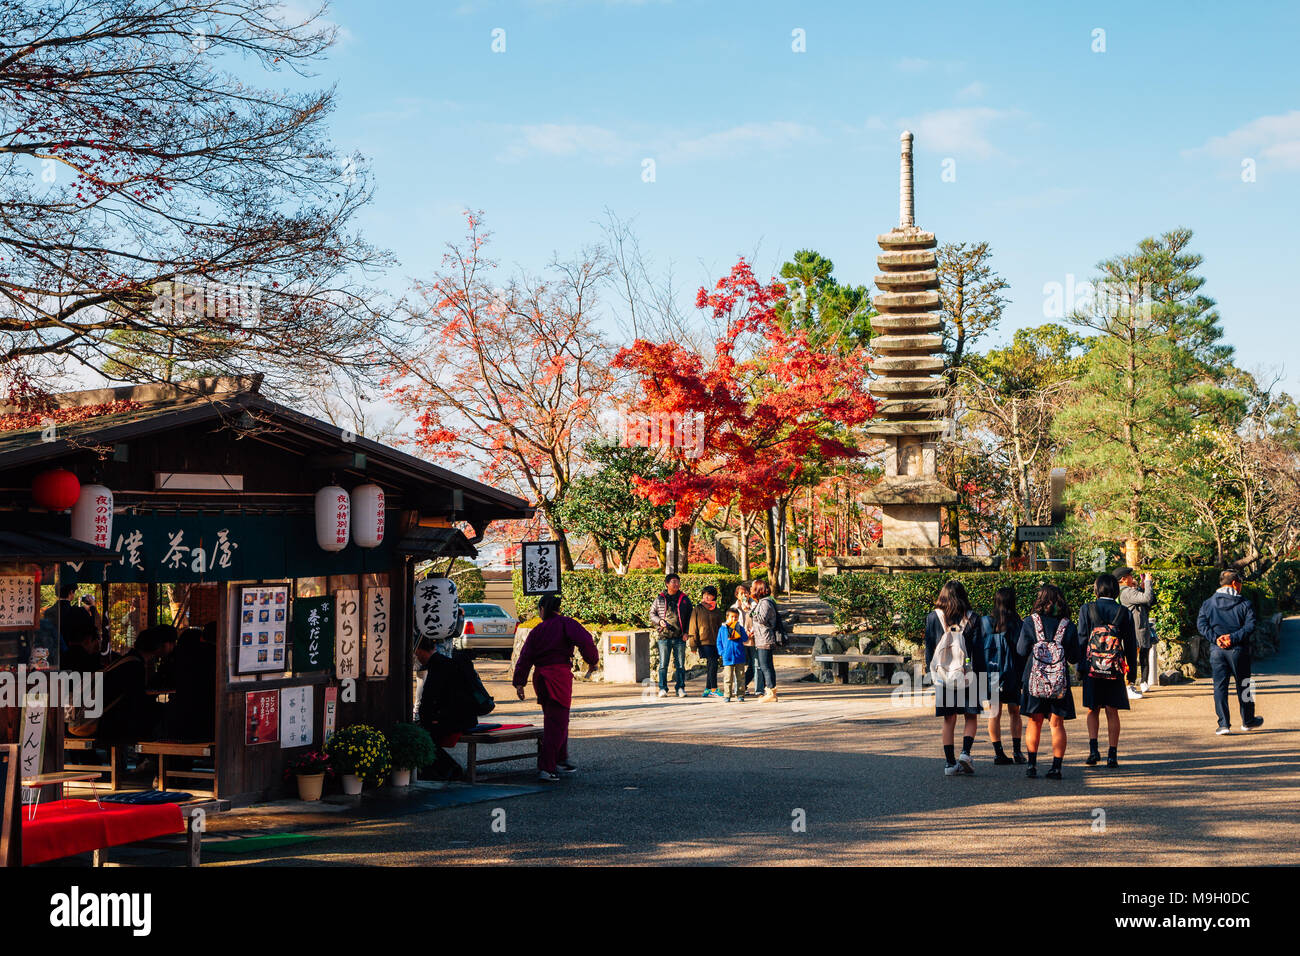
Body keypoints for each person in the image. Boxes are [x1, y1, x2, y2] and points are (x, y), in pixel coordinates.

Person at [513, 592, 599, 782]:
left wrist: (520, 682)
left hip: (540, 677)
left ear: (543, 609)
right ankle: (547, 767)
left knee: (556, 720)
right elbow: (585, 641)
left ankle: (561, 759)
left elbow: (525, 657)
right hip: (558, 677)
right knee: (557, 724)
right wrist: (592, 661)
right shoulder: (566, 623)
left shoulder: (537, 630)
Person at [1018, 583, 1080, 779]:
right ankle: (1056, 767)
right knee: (1057, 724)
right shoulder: (1067, 625)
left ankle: (1032, 766)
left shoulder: (1030, 622)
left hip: (1034, 680)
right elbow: (1074, 657)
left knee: (1034, 722)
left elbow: (1020, 650)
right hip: (1058, 683)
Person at [925, 580, 986, 776]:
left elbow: (929, 648)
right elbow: (979, 651)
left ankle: (950, 764)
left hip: (944, 676)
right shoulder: (973, 618)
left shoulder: (933, 617)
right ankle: (965, 753)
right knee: (970, 716)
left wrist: (932, 672)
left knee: (948, 719)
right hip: (968, 674)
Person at [1078, 574, 1139, 768]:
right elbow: (1130, 643)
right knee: (1112, 711)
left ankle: (1093, 750)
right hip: (1114, 667)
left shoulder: (1087, 609)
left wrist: (1080, 666)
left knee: (1092, 709)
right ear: (1115, 590)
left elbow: (1081, 640)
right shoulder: (1123, 612)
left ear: (1096, 589)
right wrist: (1132, 672)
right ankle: (1112, 754)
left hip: (1092, 667)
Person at [1198, 570, 1263, 735]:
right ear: (1235, 583)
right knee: (1245, 684)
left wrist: (1217, 639)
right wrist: (1233, 638)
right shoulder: (1244, 604)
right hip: (1239, 650)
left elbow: (1201, 625)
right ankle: (1248, 721)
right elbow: (1250, 625)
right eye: (1240, 583)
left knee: (1219, 687)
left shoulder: (1208, 603)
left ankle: (1223, 724)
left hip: (1216, 650)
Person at [416, 636, 489, 780]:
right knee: (426, 730)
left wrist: (426, 720)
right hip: (468, 717)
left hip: (453, 719)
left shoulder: (437, 666)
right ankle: (445, 768)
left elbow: (429, 700)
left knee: (422, 736)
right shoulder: (454, 659)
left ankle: (449, 768)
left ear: (420, 651)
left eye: (417, 654)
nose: (417, 658)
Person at [88, 626, 168, 743]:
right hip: (112, 722)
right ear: (157, 648)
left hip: (104, 719)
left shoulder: (125, 660)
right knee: (161, 712)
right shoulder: (135, 665)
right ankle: (152, 755)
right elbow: (135, 699)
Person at [981, 585, 1025, 765]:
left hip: (991, 672)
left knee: (994, 713)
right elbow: (1022, 650)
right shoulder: (1017, 623)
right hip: (1012, 672)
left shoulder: (985, 622)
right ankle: (1017, 752)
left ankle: (998, 753)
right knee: (1015, 712)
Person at [649, 573, 692, 699]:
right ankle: (662, 688)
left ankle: (680, 688)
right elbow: (652, 613)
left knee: (680, 665)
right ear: (667, 584)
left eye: (678, 582)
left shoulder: (684, 599)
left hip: (680, 636)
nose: (676, 584)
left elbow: (691, 617)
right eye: (673, 582)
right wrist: (659, 621)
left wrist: (687, 632)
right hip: (664, 636)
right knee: (663, 664)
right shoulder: (660, 599)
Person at [1116, 566, 1155, 697]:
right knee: (1130, 659)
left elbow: (1148, 601)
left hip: (1136, 629)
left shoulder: (1127, 591)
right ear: (1123, 579)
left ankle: (1134, 684)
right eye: (1130, 576)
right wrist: (1148, 582)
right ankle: (1129, 686)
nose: (1132, 578)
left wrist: (1142, 587)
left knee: (1135, 657)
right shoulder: (1125, 592)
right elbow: (1147, 599)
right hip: (1133, 630)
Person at [688, 585, 725, 698]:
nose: (707, 597)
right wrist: (693, 644)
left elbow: (720, 627)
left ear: (714, 596)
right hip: (703, 642)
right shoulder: (697, 609)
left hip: (716, 642)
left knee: (711, 665)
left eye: (709, 595)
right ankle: (714, 688)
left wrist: (723, 642)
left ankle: (708, 689)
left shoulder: (717, 610)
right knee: (713, 663)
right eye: (705, 595)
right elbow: (692, 627)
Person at [748, 580, 782, 702]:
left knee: (765, 666)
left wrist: (751, 610)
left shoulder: (765, 603)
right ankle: (771, 691)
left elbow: (762, 619)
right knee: (767, 666)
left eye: (752, 587)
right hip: (762, 637)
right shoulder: (763, 602)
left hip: (765, 638)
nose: (750, 589)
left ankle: (771, 692)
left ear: (758, 589)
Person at [715, 607, 749, 702]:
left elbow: (745, 639)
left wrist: (741, 631)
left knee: (741, 677)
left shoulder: (739, 628)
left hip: (739, 656)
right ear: (727, 617)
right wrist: (722, 652)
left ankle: (740, 694)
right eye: (732, 617)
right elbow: (719, 642)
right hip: (728, 657)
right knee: (728, 677)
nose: (734, 619)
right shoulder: (722, 629)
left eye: (736, 617)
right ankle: (727, 695)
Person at [729, 583, 755, 691]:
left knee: (754, 665)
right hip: (739, 640)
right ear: (737, 596)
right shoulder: (734, 608)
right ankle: (738, 688)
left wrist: (752, 630)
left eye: (746, 592)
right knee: (739, 665)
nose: (744, 595)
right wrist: (743, 633)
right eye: (741, 593)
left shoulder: (754, 606)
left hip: (752, 639)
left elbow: (758, 620)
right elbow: (731, 624)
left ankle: (743, 685)